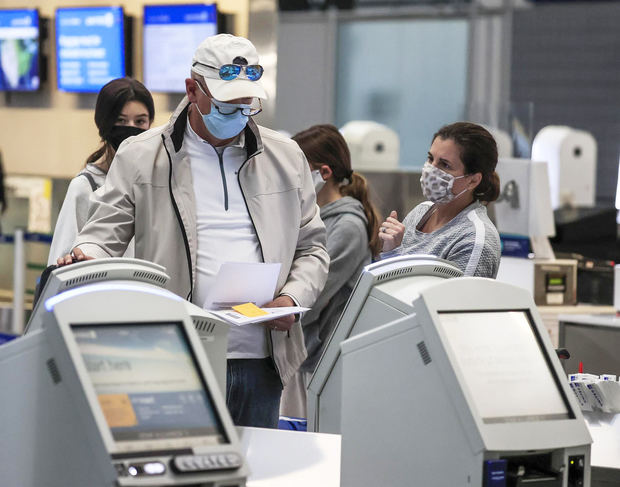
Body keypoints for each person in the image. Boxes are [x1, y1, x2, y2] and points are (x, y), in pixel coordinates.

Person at [57, 34, 329, 428]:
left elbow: (313, 248)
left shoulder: (285, 158)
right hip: (175, 356)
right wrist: (87, 255)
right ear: (192, 89)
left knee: (256, 471)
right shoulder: (143, 155)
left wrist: (292, 296)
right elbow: (103, 234)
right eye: (224, 105)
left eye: (246, 105)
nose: (237, 115)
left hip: (262, 361)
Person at [280, 124, 382, 419]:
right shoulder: (309, 217)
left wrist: (277, 308)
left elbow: (313, 295)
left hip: (316, 359)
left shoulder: (347, 227)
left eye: (297, 168)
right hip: (298, 353)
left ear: (323, 173)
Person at [47, 77, 155, 265]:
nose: (131, 129)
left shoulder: (156, 182)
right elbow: (61, 262)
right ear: (104, 124)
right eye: (121, 120)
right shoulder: (85, 187)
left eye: (140, 121)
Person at [379, 122, 501, 278]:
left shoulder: (475, 239)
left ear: (473, 181)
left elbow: (451, 300)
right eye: (431, 159)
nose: (431, 169)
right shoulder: (421, 211)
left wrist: (392, 255)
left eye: (445, 164)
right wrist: (387, 249)